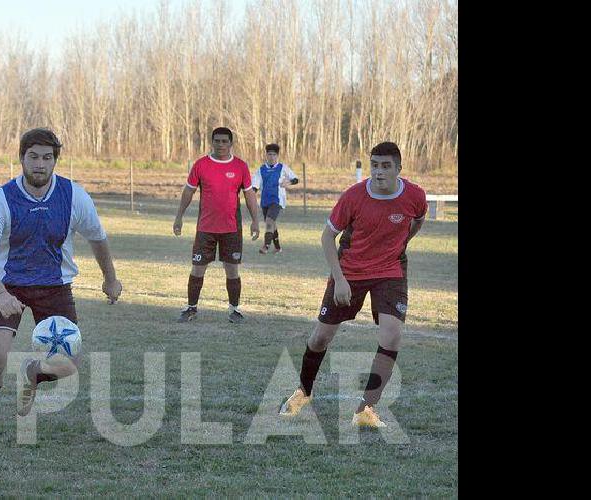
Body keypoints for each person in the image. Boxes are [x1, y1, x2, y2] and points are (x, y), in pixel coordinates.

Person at [0, 127, 122, 442]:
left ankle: (32, 373)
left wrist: (110, 278)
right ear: (22, 159)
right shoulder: (3, 198)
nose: (40, 164)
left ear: (55, 161)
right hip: (9, 286)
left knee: (68, 365)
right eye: (33, 157)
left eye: (47, 158)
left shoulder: (73, 195)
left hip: (55, 287)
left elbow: (97, 237)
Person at [278, 141, 427, 428]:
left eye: (386, 166)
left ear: (399, 169)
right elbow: (326, 237)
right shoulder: (354, 197)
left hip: (390, 271)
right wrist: (340, 280)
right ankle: (303, 392)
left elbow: (417, 221)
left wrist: (402, 243)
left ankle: (365, 409)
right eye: (375, 165)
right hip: (350, 271)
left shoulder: (415, 195)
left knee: (392, 336)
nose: (379, 172)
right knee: (321, 338)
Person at [172, 127, 261, 324]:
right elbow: (188, 192)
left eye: (224, 141)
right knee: (197, 269)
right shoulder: (201, 165)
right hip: (205, 228)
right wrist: (179, 217)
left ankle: (234, 310)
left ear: (231, 144)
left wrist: (255, 221)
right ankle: (191, 308)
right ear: (212, 142)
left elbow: (249, 195)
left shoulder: (240, 167)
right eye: (217, 141)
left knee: (232, 270)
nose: (220, 145)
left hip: (231, 229)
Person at [251, 143, 299, 254]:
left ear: (277, 156)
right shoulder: (261, 169)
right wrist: (251, 194)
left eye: (274, 155)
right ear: (266, 155)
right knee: (272, 224)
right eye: (269, 154)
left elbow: (295, 179)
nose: (271, 157)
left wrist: (289, 182)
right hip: (265, 201)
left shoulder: (283, 168)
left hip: (277, 201)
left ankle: (265, 246)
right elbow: (255, 186)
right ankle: (277, 247)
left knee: (269, 221)